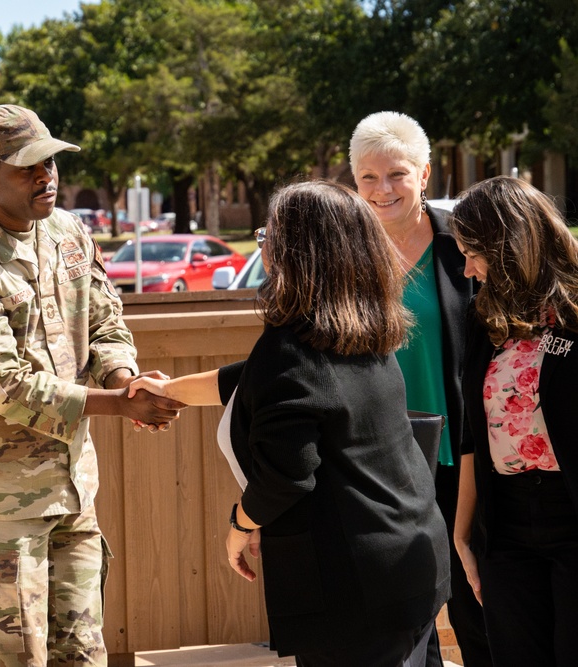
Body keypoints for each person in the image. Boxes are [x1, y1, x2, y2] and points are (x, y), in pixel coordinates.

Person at [129, 180, 450, 666]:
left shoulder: (293, 351)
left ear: (297, 253)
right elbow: (247, 381)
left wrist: (241, 524)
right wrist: (167, 391)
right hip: (412, 561)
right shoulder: (363, 329)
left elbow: (286, 476)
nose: (265, 248)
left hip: (356, 591)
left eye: (269, 237)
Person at [0, 103, 183, 666]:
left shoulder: (67, 232)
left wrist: (125, 378)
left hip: (71, 488)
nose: (46, 177)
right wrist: (117, 404)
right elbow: (2, 384)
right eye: (28, 167)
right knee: (19, 658)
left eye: (51, 164)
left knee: (85, 654)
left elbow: (106, 323)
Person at [349, 111, 490, 666]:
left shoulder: (466, 247)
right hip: (380, 464)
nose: (383, 190)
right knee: (404, 619)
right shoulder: (343, 258)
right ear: (353, 180)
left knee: (480, 609)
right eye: (368, 177)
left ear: (425, 174)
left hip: (467, 456)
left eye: (398, 174)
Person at [450, 176, 578, 666]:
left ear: (508, 247)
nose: (467, 269)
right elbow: (471, 434)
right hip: (505, 527)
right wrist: (463, 535)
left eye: (474, 254)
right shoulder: (484, 318)